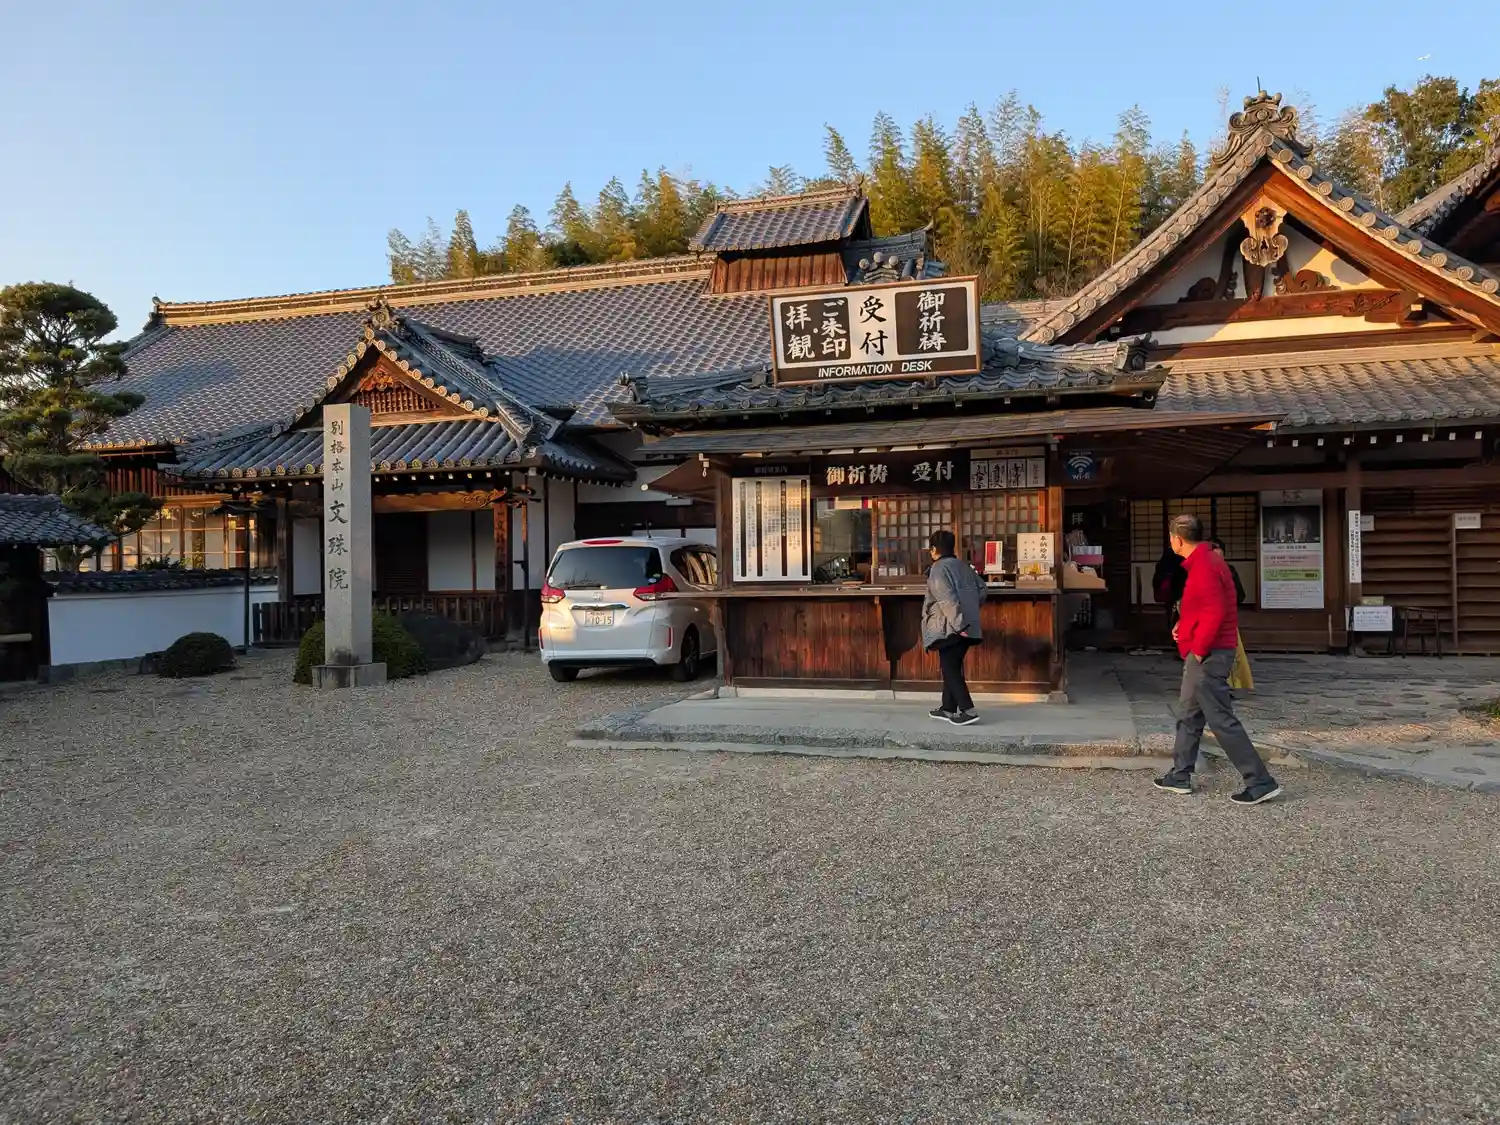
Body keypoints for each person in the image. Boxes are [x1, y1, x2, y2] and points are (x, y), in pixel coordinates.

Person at [1153, 514, 1281, 805]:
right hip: (1204, 650)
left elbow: (1214, 613)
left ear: (1177, 540)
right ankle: (1180, 774)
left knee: (1221, 719)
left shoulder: (1205, 566)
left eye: (1170, 537)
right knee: (1188, 714)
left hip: (1208, 654)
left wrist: (1198, 649)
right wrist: (1183, 624)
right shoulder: (1206, 561)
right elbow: (1202, 607)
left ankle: (1260, 781)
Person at [922, 529, 987, 726]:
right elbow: (982, 589)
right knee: (951, 666)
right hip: (966, 625)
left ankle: (968, 710)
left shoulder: (938, 569)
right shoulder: (963, 566)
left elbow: (947, 599)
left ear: (934, 549)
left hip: (950, 627)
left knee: (950, 669)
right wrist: (970, 610)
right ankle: (948, 708)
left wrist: (958, 624)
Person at [1211, 536, 1254, 692]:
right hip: (1208, 620)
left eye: (1219, 554)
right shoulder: (1199, 571)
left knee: (1229, 653)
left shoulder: (1229, 570)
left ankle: (1230, 684)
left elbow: (1240, 595)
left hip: (1225, 620)